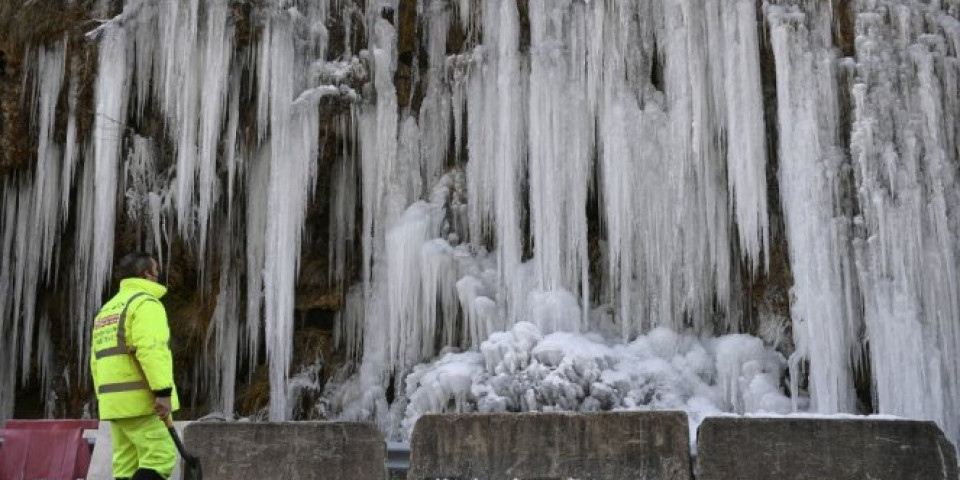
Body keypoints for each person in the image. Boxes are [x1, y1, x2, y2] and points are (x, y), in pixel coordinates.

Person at [90, 252, 179, 480]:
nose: (158, 276)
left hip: (114, 404)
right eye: (156, 271)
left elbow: (96, 360)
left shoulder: (107, 310)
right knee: (160, 458)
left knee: (125, 467)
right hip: (142, 401)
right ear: (146, 275)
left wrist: (106, 400)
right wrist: (163, 392)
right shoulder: (145, 304)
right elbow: (151, 349)